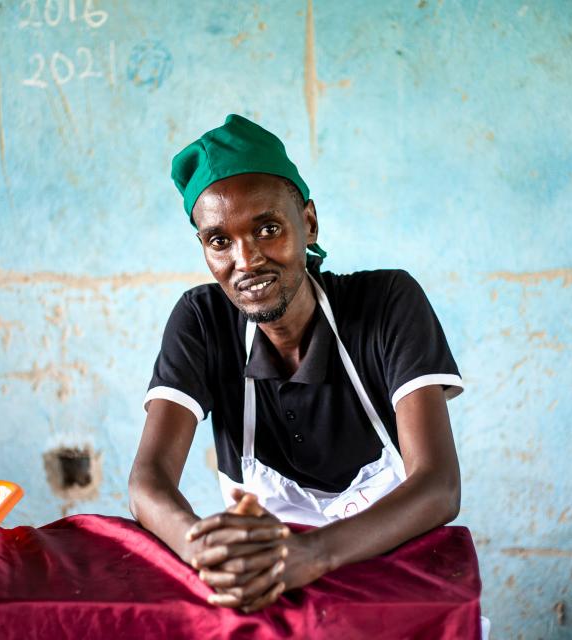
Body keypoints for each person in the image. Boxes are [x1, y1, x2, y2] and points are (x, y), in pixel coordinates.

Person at [128, 114, 464, 613]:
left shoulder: (387, 302)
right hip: (271, 596)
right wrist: (206, 550)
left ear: (308, 222)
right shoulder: (202, 321)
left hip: (396, 587)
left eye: (267, 228)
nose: (246, 260)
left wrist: (311, 554)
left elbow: (438, 486)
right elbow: (148, 482)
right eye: (219, 240)